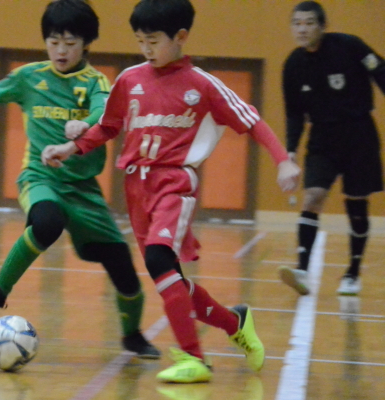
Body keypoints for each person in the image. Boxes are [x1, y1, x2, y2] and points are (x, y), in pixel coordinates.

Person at [42, 0, 300, 384]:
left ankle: (194, 358)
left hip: (174, 183)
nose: (146, 48)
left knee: (160, 261)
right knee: (170, 279)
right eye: (140, 41)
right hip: (136, 188)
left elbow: (252, 121)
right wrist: (71, 147)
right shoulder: (130, 79)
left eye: (153, 41)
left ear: (180, 37)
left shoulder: (202, 84)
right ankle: (235, 322)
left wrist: (283, 161)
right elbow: (108, 126)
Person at [0, 0, 160, 359]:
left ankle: (132, 335)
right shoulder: (30, 77)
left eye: (70, 42)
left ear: (86, 43)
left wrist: (85, 123)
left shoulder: (95, 82)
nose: (60, 50)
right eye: (53, 42)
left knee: (123, 268)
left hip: (83, 190)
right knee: (47, 222)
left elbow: (103, 110)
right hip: (40, 177)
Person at [278, 1, 385, 296]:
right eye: (297, 23)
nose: (302, 29)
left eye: (309, 23)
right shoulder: (293, 65)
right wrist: (290, 151)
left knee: (357, 204)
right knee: (313, 196)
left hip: (359, 134)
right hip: (322, 137)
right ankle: (302, 270)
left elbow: (380, 70)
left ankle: (352, 272)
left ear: (322, 26)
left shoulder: (348, 46)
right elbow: (294, 114)